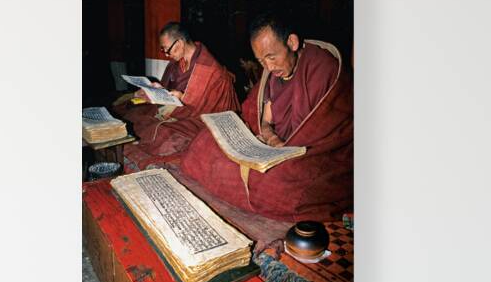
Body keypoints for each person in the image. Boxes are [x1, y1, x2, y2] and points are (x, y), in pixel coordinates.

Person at [180, 13, 352, 220]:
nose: (269, 68)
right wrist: (270, 138)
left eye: (272, 57)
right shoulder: (273, 74)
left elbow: (325, 133)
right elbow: (265, 121)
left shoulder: (322, 67)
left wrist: (282, 149)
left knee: (281, 184)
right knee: (204, 142)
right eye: (262, 61)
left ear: (292, 42)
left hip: (309, 155)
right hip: (273, 148)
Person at [116, 22, 239, 163]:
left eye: (167, 49)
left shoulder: (208, 67)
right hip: (177, 109)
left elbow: (207, 106)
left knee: (165, 134)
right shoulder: (177, 61)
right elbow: (171, 89)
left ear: (179, 43)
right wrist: (158, 90)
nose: (166, 54)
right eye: (163, 50)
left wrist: (182, 97)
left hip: (201, 116)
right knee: (134, 114)